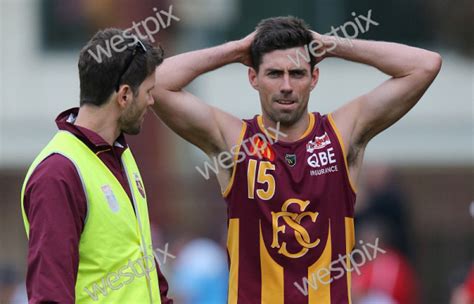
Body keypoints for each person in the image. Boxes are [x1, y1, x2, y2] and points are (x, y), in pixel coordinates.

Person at [151, 16, 441, 303]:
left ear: (313, 78)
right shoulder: (236, 140)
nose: (286, 85)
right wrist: (236, 49)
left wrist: (332, 45)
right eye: (274, 74)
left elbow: (425, 65)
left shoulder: (341, 134)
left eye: (297, 73)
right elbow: (157, 83)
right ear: (253, 77)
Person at [21, 28, 172, 303]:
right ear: (124, 96)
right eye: (148, 92)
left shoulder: (120, 152)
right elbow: (50, 294)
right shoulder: (58, 173)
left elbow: (143, 266)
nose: (152, 100)